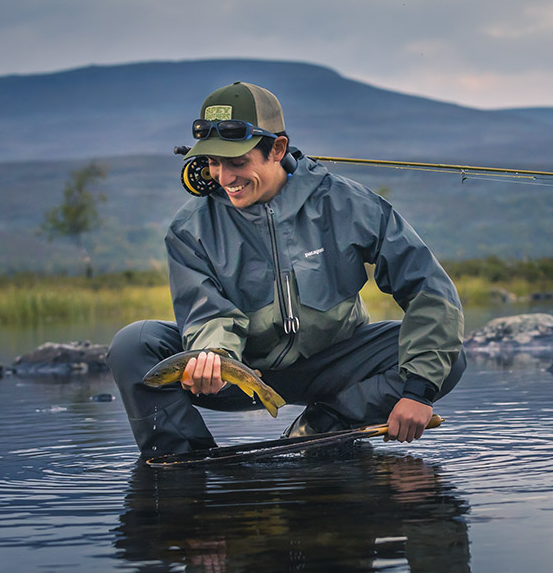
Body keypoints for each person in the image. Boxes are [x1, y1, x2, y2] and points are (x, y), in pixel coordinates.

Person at [107, 81, 466, 456]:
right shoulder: (190, 228)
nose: (224, 178)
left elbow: (430, 291)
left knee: (445, 354)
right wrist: (213, 357)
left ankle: (324, 425)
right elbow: (207, 313)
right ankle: (184, 461)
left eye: (237, 162)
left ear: (277, 149)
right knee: (134, 345)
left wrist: (418, 394)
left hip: (337, 365)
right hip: (240, 371)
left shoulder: (346, 203)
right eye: (213, 162)